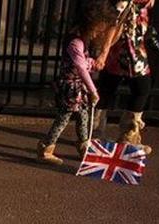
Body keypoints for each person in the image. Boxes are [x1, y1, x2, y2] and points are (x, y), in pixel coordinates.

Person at [37, 1, 117, 165]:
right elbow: (80, 67)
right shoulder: (75, 42)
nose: (97, 34)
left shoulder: (79, 39)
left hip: (78, 86)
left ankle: (84, 146)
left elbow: (82, 63)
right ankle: (46, 148)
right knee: (63, 118)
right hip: (71, 87)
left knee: (83, 116)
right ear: (90, 25)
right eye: (96, 30)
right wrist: (93, 90)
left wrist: (92, 63)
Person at [94, 0, 156, 154]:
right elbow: (114, 22)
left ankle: (95, 135)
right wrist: (103, 52)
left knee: (107, 89)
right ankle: (126, 138)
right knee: (140, 88)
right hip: (127, 48)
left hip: (131, 46)